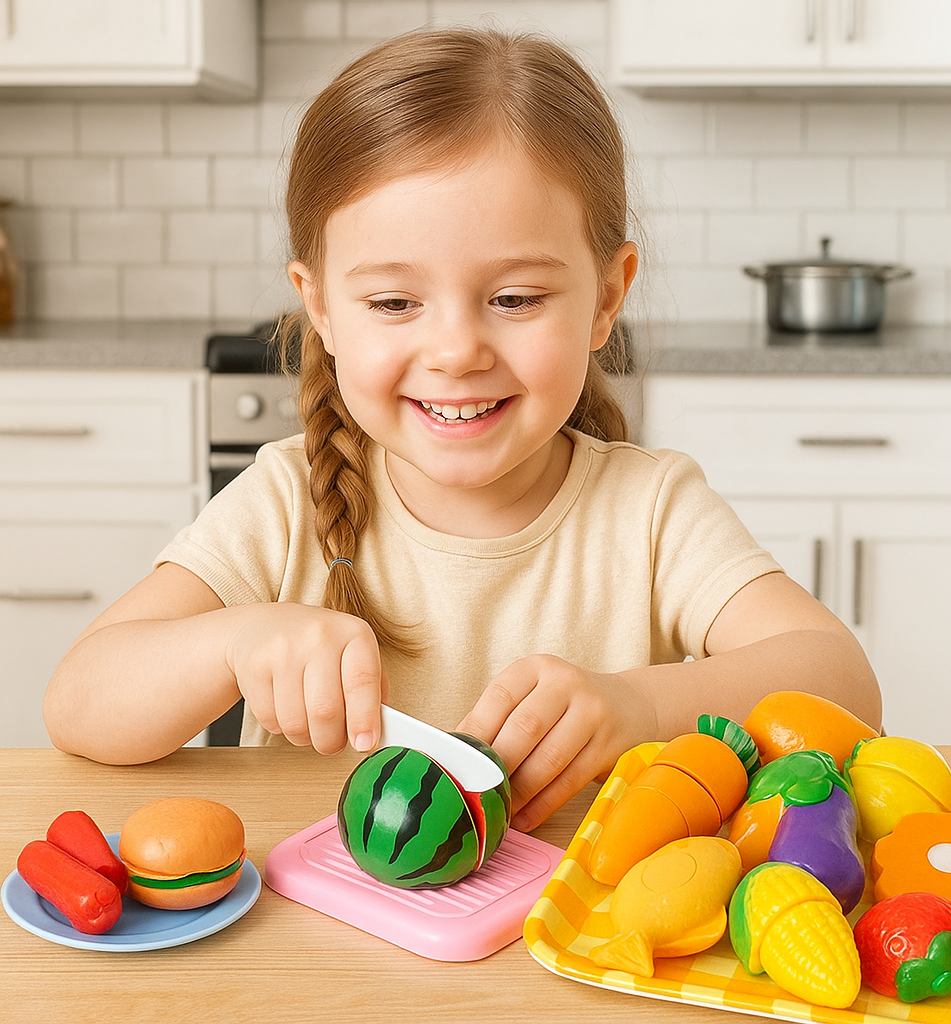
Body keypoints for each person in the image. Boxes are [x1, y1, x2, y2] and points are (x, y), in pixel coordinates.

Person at [44, 27, 881, 832]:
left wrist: (640, 706)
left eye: (515, 298)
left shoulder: (652, 510)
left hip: (576, 947)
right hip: (322, 957)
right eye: (394, 303)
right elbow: (78, 703)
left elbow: (846, 691)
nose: (455, 351)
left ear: (606, 297)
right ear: (322, 307)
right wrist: (232, 644)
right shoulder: (284, 500)